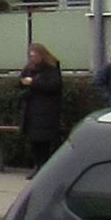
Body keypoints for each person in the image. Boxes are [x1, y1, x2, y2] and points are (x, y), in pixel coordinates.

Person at [16, 43, 65, 172]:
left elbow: (54, 86)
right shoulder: (28, 69)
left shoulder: (51, 69)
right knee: (33, 141)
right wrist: (23, 83)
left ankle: (44, 168)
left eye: (35, 55)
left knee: (45, 142)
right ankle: (36, 166)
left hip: (46, 111)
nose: (33, 58)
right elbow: (20, 83)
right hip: (31, 110)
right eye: (31, 56)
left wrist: (34, 82)